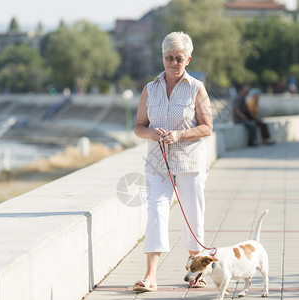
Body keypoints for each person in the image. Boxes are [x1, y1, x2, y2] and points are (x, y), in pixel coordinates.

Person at [133, 31, 213, 292]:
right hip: (158, 163)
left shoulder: (196, 88)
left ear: (188, 59)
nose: (173, 63)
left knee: (193, 215)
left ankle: (198, 271)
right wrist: (151, 133)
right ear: (163, 57)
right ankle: (151, 276)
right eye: (168, 58)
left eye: (178, 58)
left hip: (190, 162)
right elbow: (138, 127)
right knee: (156, 213)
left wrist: (179, 134)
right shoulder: (150, 89)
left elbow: (207, 127)